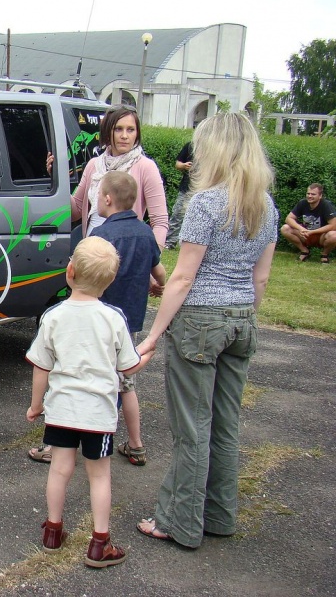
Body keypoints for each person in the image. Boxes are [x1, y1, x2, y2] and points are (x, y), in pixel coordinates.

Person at [135, 112, 277, 549]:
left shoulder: (206, 203)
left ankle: (178, 522)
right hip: (241, 320)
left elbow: (182, 278)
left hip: (200, 322)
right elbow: (262, 279)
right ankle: (218, 515)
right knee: (226, 424)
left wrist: (154, 334)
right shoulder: (266, 205)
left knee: (191, 429)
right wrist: (245, 315)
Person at [30, 103, 168, 464]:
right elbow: (77, 208)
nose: (125, 136)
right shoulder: (94, 166)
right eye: (119, 129)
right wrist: (50, 186)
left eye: (131, 130)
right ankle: (120, 442)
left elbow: (161, 221)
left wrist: (146, 262)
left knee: (96, 370)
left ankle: (65, 442)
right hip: (93, 273)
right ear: (108, 132)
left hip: (118, 277)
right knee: (95, 367)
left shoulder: (145, 168)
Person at [26, 235, 152, 566]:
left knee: (59, 469)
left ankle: (53, 530)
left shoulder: (52, 316)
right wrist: (148, 354)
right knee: (99, 476)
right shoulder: (113, 318)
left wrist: (36, 404)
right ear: (109, 281)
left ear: (70, 272)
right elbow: (128, 366)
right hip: (97, 414)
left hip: (61, 410)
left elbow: (42, 366)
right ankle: (100, 543)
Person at [90, 171, 166, 466]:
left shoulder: (101, 235)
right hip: (129, 324)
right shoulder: (146, 232)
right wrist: (156, 285)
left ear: (108, 199)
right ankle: (135, 444)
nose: (97, 200)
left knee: (90, 381)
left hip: (100, 323)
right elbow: (159, 274)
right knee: (126, 384)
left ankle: (58, 445)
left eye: (98, 195)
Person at [279, 183, 336, 263]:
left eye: (313, 194)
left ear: (320, 196)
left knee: (334, 235)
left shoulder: (326, 205)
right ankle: (305, 251)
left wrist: (312, 232)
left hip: (322, 236)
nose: (309, 196)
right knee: (285, 228)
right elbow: (288, 219)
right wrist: (301, 228)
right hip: (305, 234)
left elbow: (333, 226)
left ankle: (324, 255)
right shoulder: (302, 203)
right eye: (308, 193)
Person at [164, 141, 193, 249]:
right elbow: (178, 164)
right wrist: (184, 165)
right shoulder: (190, 146)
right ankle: (169, 242)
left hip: (205, 188)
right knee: (177, 214)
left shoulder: (215, 147)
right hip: (187, 188)